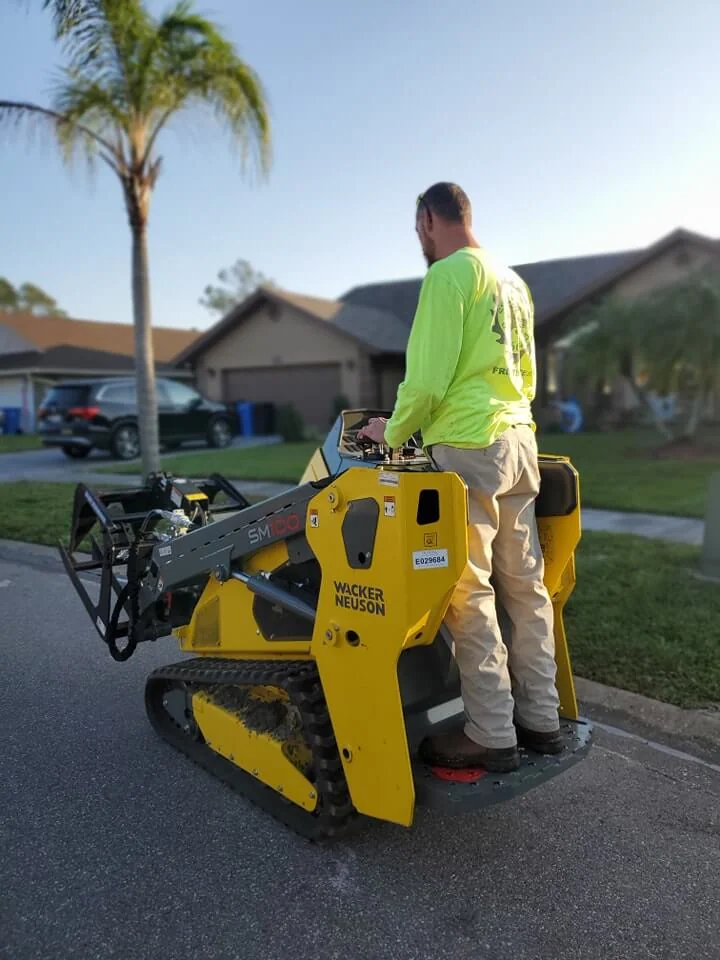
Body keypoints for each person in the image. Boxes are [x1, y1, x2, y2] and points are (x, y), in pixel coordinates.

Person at [357, 182, 562, 772]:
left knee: (469, 592)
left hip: (469, 447)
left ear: (428, 219)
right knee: (526, 588)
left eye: (417, 229)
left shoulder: (448, 276)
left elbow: (425, 382)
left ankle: (492, 733)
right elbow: (524, 376)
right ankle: (541, 719)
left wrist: (390, 432)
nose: (419, 240)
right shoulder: (512, 282)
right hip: (518, 440)